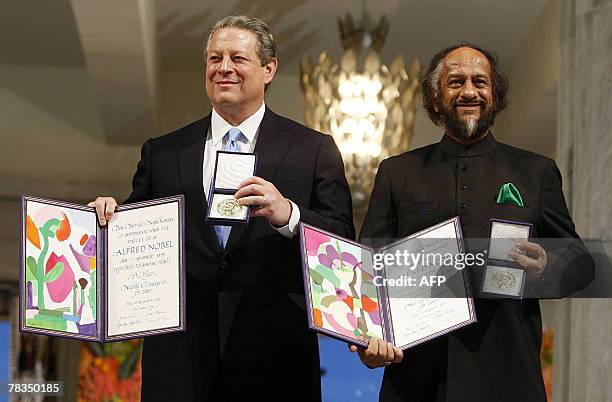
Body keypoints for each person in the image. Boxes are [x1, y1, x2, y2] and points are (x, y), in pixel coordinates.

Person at [89, 15, 354, 402]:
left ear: (268, 69)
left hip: (277, 362)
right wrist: (108, 217)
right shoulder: (164, 152)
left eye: (237, 58)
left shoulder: (312, 150)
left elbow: (344, 245)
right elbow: (132, 233)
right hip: (180, 363)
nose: (223, 68)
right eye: (214, 59)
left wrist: (290, 216)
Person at [351, 43, 594, 401]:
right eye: (455, 82)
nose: (469, 91)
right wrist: (366, 342)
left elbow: (582, 265)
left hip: (509, 377)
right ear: (436, 99)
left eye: (480, 81)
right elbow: (367, 268)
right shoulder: (397, 172)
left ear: (494, 96)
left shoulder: (535, 171)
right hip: (416, 379)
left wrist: (547, 264)